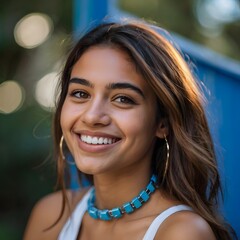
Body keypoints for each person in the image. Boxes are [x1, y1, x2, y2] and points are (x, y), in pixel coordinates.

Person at [24, 20, 236, 240]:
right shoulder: (49, 217)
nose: (92, 116)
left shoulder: (181, 232)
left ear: (162, 123)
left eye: (123, 99)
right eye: (80, 93)